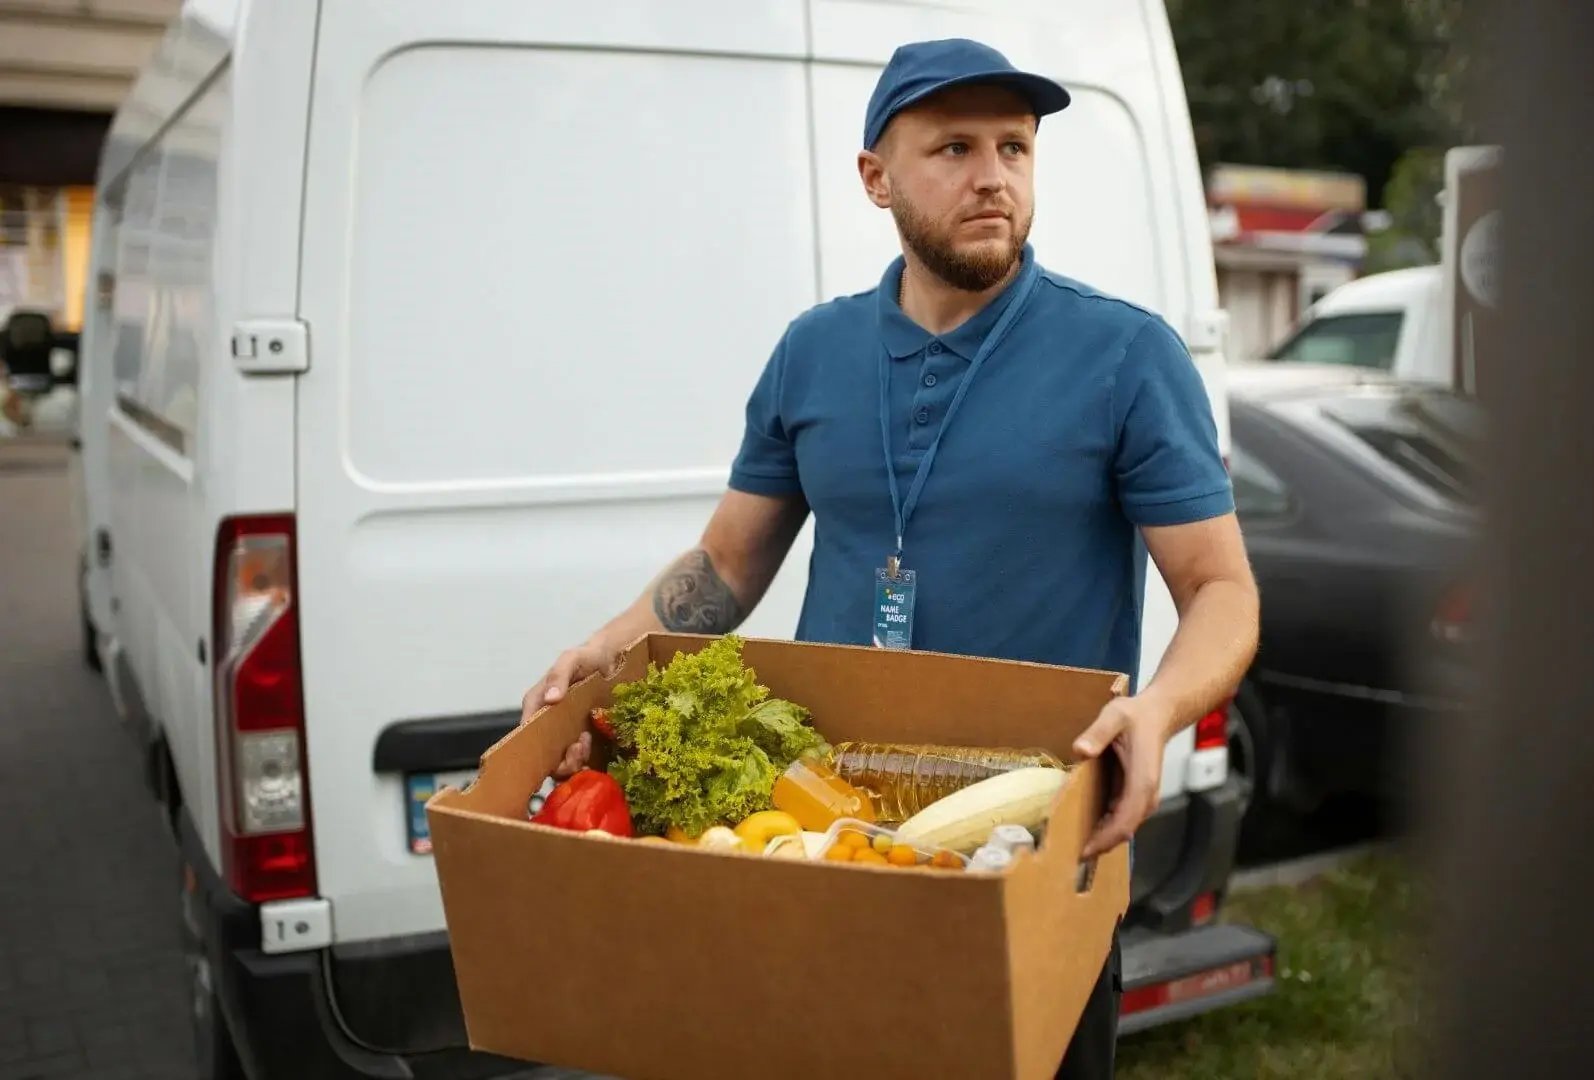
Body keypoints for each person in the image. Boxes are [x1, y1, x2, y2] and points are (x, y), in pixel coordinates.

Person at [522, 38, 1259, 1078]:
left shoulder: (1125, 358)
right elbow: (728, 565)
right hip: (827, 838)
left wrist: (1156, 710)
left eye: (1014, 146)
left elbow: (1220, 589)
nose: (993, 175)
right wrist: (609, 645)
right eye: (952, 148)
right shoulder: (812, 353)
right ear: (876, 178)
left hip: (1030, 836)